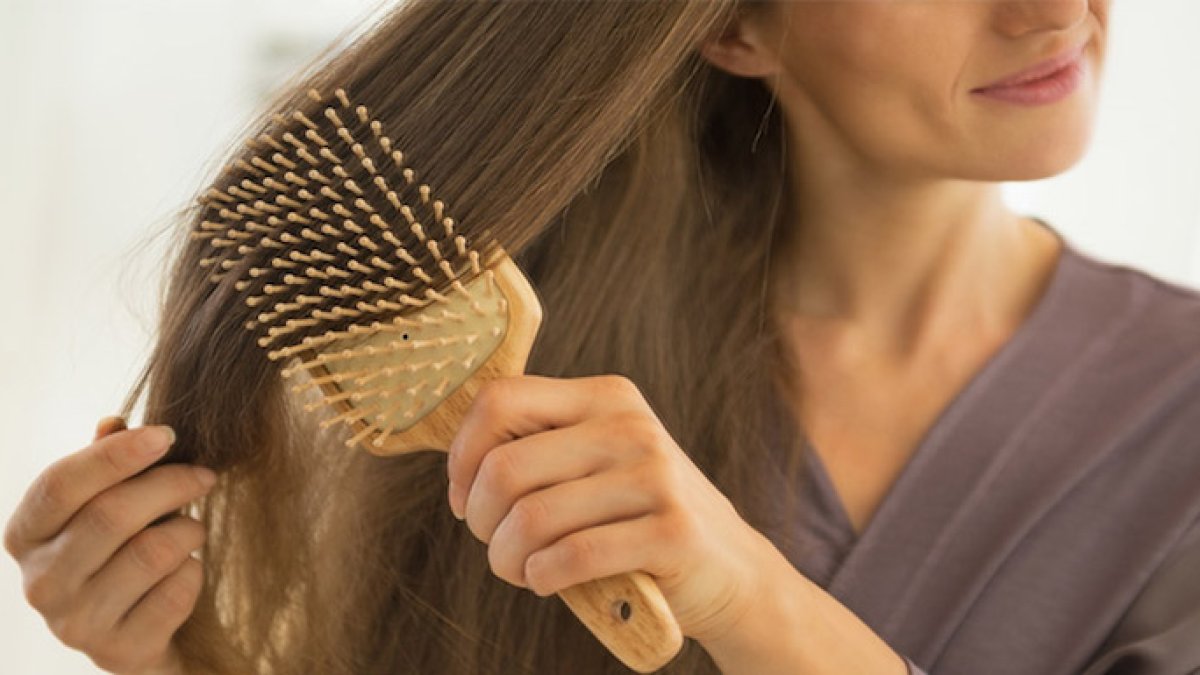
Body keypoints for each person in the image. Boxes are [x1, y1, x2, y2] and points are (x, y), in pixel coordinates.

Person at [6, 1, 1199, 673]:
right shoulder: (508, 391)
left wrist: (750, 600)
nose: (1053, 14)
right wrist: (174, 661)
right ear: (734, 29)